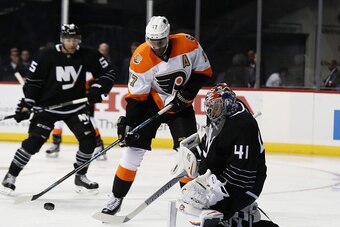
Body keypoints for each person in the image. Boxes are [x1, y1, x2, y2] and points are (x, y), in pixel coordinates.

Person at [99, 16, 212, 215]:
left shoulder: (188, 43)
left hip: (181, 107)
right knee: (132, 150)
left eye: (160, 41)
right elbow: (136, 98)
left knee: (189, 154)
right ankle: (116, 197)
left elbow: (203, 72)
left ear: (168, 37)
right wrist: (128, 123)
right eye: (152, 41)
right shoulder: (140, 58)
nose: (156, 45)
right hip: (151, 106)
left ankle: (190, 197)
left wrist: (187, 94)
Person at [1, 24, 116, 194]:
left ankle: (81, 176)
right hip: (47, 107)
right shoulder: (45, 55)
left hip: (75, 106)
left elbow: (108, 73)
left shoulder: (87, 54)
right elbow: (33, 82)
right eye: (68, 39)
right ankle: (11, 175)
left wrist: (97, 88)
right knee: (34, 142)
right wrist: (28, 103)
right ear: (62, 39)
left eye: (75, 40)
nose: (72, 43)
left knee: (88, 140)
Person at [173, 83, 279, 227]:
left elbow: (242, 171)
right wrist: (199, 155)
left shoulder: (244, 126)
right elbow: (213, 141)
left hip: (246, 185)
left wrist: (215, 193)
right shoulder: (220, 114)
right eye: (210, 106)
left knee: (215, 215)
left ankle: (244, 219)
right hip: (221, 176)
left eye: (215, 107)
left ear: (228, 105)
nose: (211, 111)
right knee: (203, 208)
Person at [45, 72, 107, 161]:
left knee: (89, 120)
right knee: (58, 119)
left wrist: (98, 91)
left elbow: (98, 83)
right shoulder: (68, 67)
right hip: (68, 98)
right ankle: (55, 144)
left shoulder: (89, 72)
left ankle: (99, 145)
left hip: (84, 100)